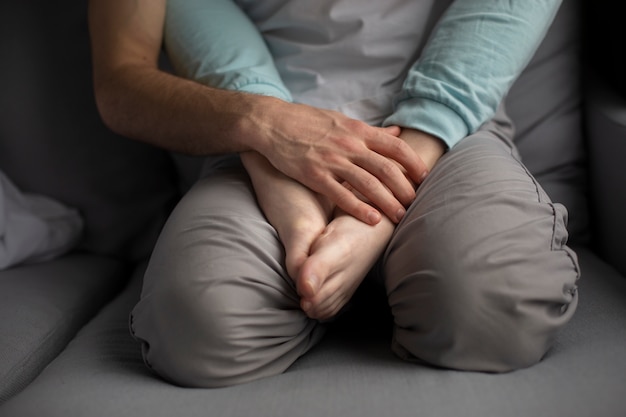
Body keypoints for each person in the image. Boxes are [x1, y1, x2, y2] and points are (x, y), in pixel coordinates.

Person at [88, 0, 580, 388]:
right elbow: (124, 82)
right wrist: (270, 145)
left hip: (451, 123)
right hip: (262, 128)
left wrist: (380, 206)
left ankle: (390, 269)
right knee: (194, 329)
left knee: (491, 310)